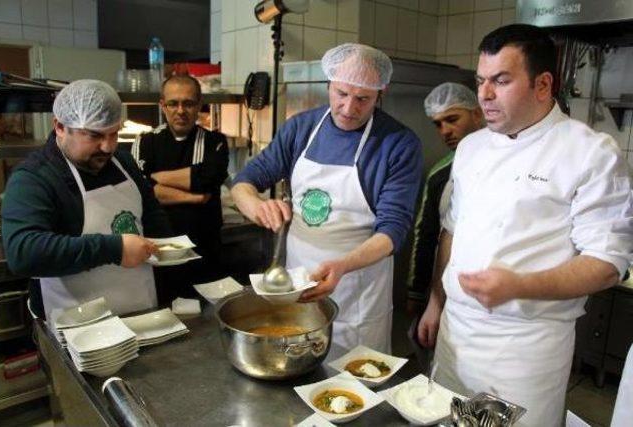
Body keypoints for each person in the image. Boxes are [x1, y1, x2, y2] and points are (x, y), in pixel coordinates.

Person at [416, 24, 633, 425]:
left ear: (543, 84)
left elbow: (606, 263)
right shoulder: (472, 147)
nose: (484, 94)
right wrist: (436, 301)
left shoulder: (589, 153)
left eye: (501, 80)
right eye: (481, 80)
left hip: (523, 350)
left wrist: (518, 285)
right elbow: (453, 230)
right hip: (455, 336)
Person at [231, 43, 423, 353]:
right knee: (299, 365)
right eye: (341, 94)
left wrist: (343, 266)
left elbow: (394, 231)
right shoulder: (301, 128)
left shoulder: (398, 144)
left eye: (363, 99)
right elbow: (244, 182)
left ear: (380, 92)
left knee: (354, 384)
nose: (349, 109)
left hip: (358, 290)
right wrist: (256, 206)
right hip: (298, 283)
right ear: (329, 84)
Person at [1, 80, 173, 321]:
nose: (108, 146)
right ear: (60, 126)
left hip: (141, 313)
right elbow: (24, 252)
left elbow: (152, 216)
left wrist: (168, 248)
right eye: (94, 136)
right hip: (77, 328)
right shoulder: (35, 177)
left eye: (114, 133)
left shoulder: (124, 163)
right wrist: (114, 249)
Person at [131, 75, 229, 306]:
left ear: (199, 105)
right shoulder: (145, 142)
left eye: (189, 103)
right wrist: (194, 197)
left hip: (205, 253)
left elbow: (208, 179)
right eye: (173, 103)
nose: (181, 110)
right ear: (162, 105)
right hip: (159, 255)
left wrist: (156, 179)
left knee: (209, 323)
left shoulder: (215, 141)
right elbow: (142, 190)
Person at [406, 83, 483, 314]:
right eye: (438, 124)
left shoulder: (507, 162)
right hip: (445, 286)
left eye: (452, 119)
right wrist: (417, 292)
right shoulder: (440, 174)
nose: (445, 131)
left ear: (477, 114)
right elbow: (426, 234)